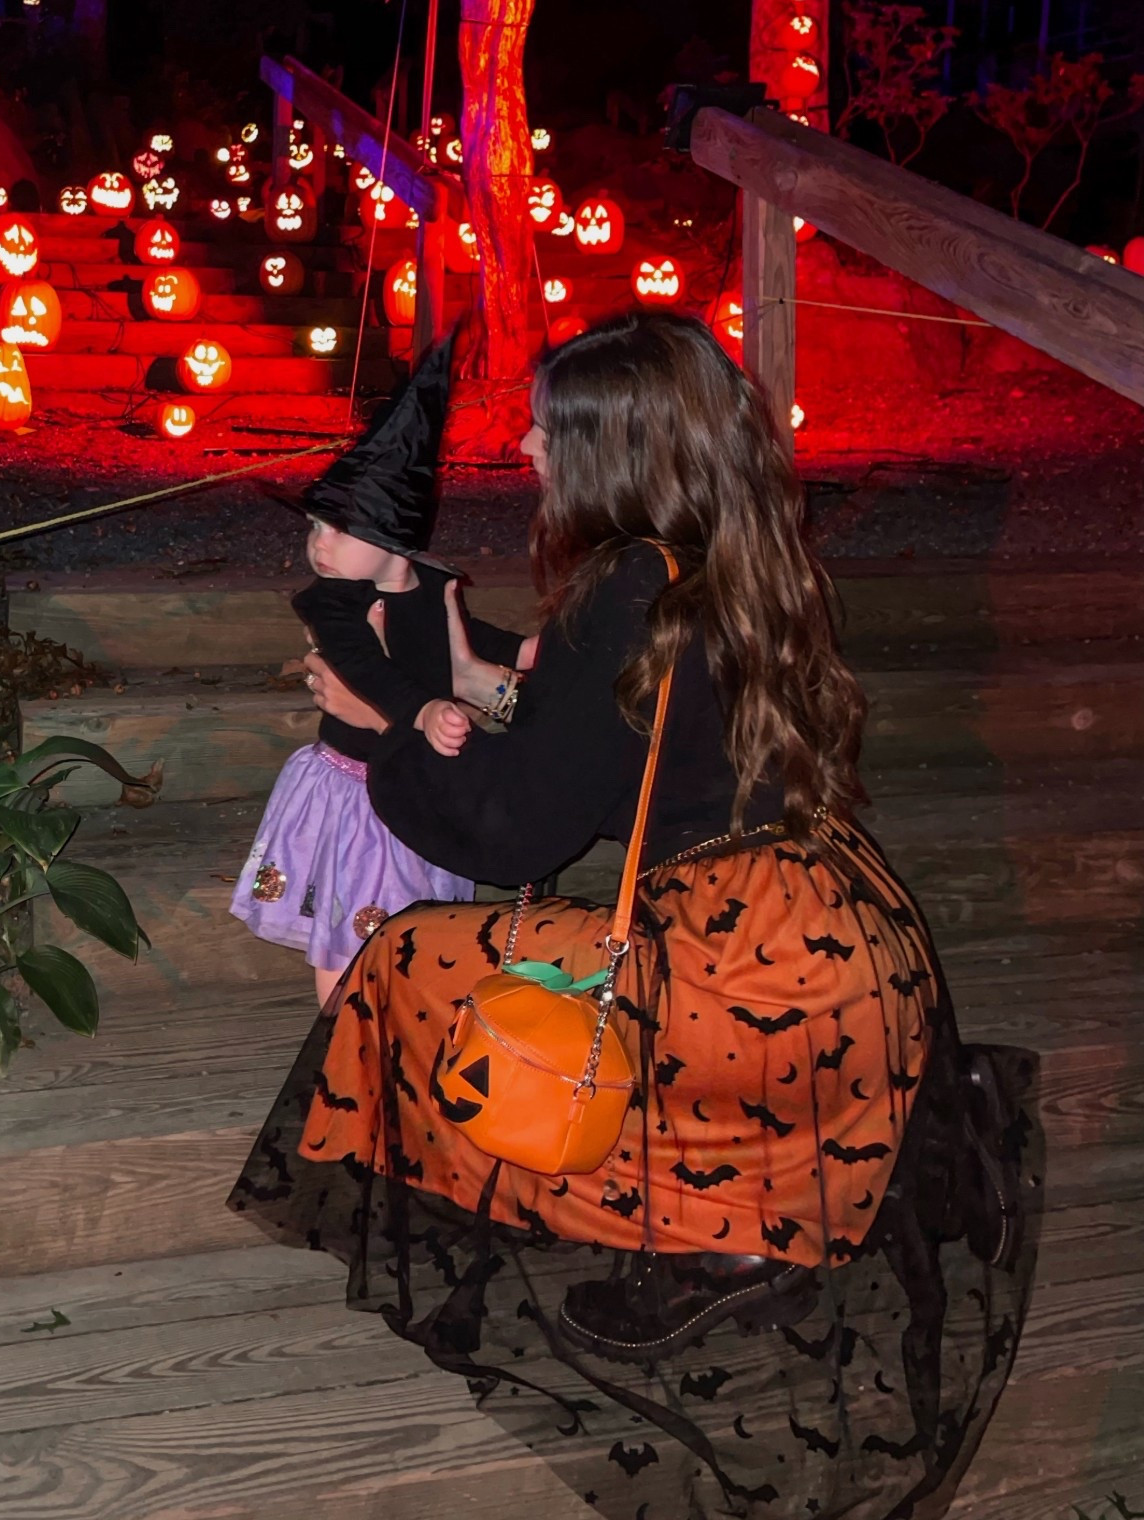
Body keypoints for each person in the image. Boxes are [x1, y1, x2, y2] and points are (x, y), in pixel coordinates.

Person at [231, 312, 1039, 1518]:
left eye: (549, 426)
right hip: (849, 950)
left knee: (408, 960)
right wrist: (470, 677)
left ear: (616, 446)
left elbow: (517, 830)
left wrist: (390, 720)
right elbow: (618, 720)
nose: (523, 442)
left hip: (728, 979)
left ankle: (704, 1224)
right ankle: (745, 1208)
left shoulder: (623, 584)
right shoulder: (745, 551)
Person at [230, 333, 531, 1004]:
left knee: (415, 922)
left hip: (417, 785)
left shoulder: (428, 586)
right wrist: (420, 709)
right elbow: (361, 666)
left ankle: (405, 1022)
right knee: (349, 929)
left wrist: (521, 654)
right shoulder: (332, 604)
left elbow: (466, 637)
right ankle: (339, 1029)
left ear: (397, 542)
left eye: (338, 531)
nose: (318, 546)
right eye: (313, 528)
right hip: (354, 794)